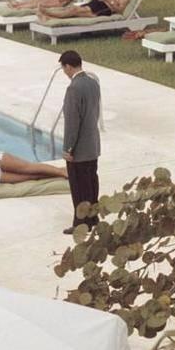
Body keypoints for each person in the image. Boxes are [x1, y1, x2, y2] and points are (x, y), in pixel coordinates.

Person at [59, 49, 101, 234]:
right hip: (92, 144)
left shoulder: (73, 88)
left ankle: (81, 223)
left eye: (64, 68)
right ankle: (93, 217)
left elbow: (72, 121)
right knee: (92, 183)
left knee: (79, 188)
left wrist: (68, 147)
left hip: (79, 149)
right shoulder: (93, 83)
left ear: (68, 66)